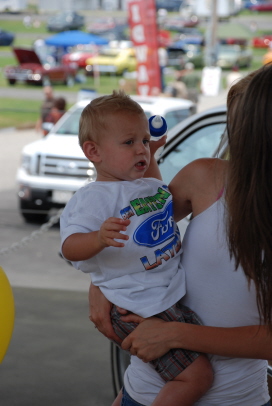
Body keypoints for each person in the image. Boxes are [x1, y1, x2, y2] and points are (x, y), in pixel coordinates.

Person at [89, 66, 272, 406]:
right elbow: (142, 228)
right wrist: (102, 282)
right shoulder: (207, 176)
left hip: (235, 398)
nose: (233, 129)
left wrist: (175, 334)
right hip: (144, 389)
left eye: (240, 118)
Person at [60, 90, 213, 406]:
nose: (141, 149)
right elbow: (68, 247)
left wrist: (152, 155)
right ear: (94, 151)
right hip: (136, 303)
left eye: (144, 140)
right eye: (129, 142)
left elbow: (160, 200)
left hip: (161, 296)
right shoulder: (94, 199)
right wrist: (98, 238)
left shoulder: (142, 182)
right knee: (197, 377)